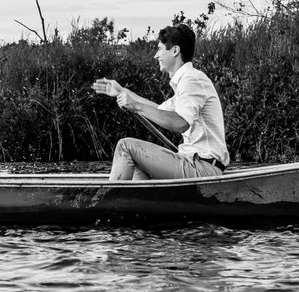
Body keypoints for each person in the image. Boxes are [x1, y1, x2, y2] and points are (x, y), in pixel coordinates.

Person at [92, 23, 229, 180]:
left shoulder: (192, 79)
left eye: (159, 49)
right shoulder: (187, 82)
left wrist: (135, 105)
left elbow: (181, 123)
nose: (156, 56)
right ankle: (134, 197)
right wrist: (122, 91)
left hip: (202, 167)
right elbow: (158, 110)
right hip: (193, 163)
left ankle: (112, 196)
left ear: (175, 51)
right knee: (135, 162)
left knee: (126, 146)